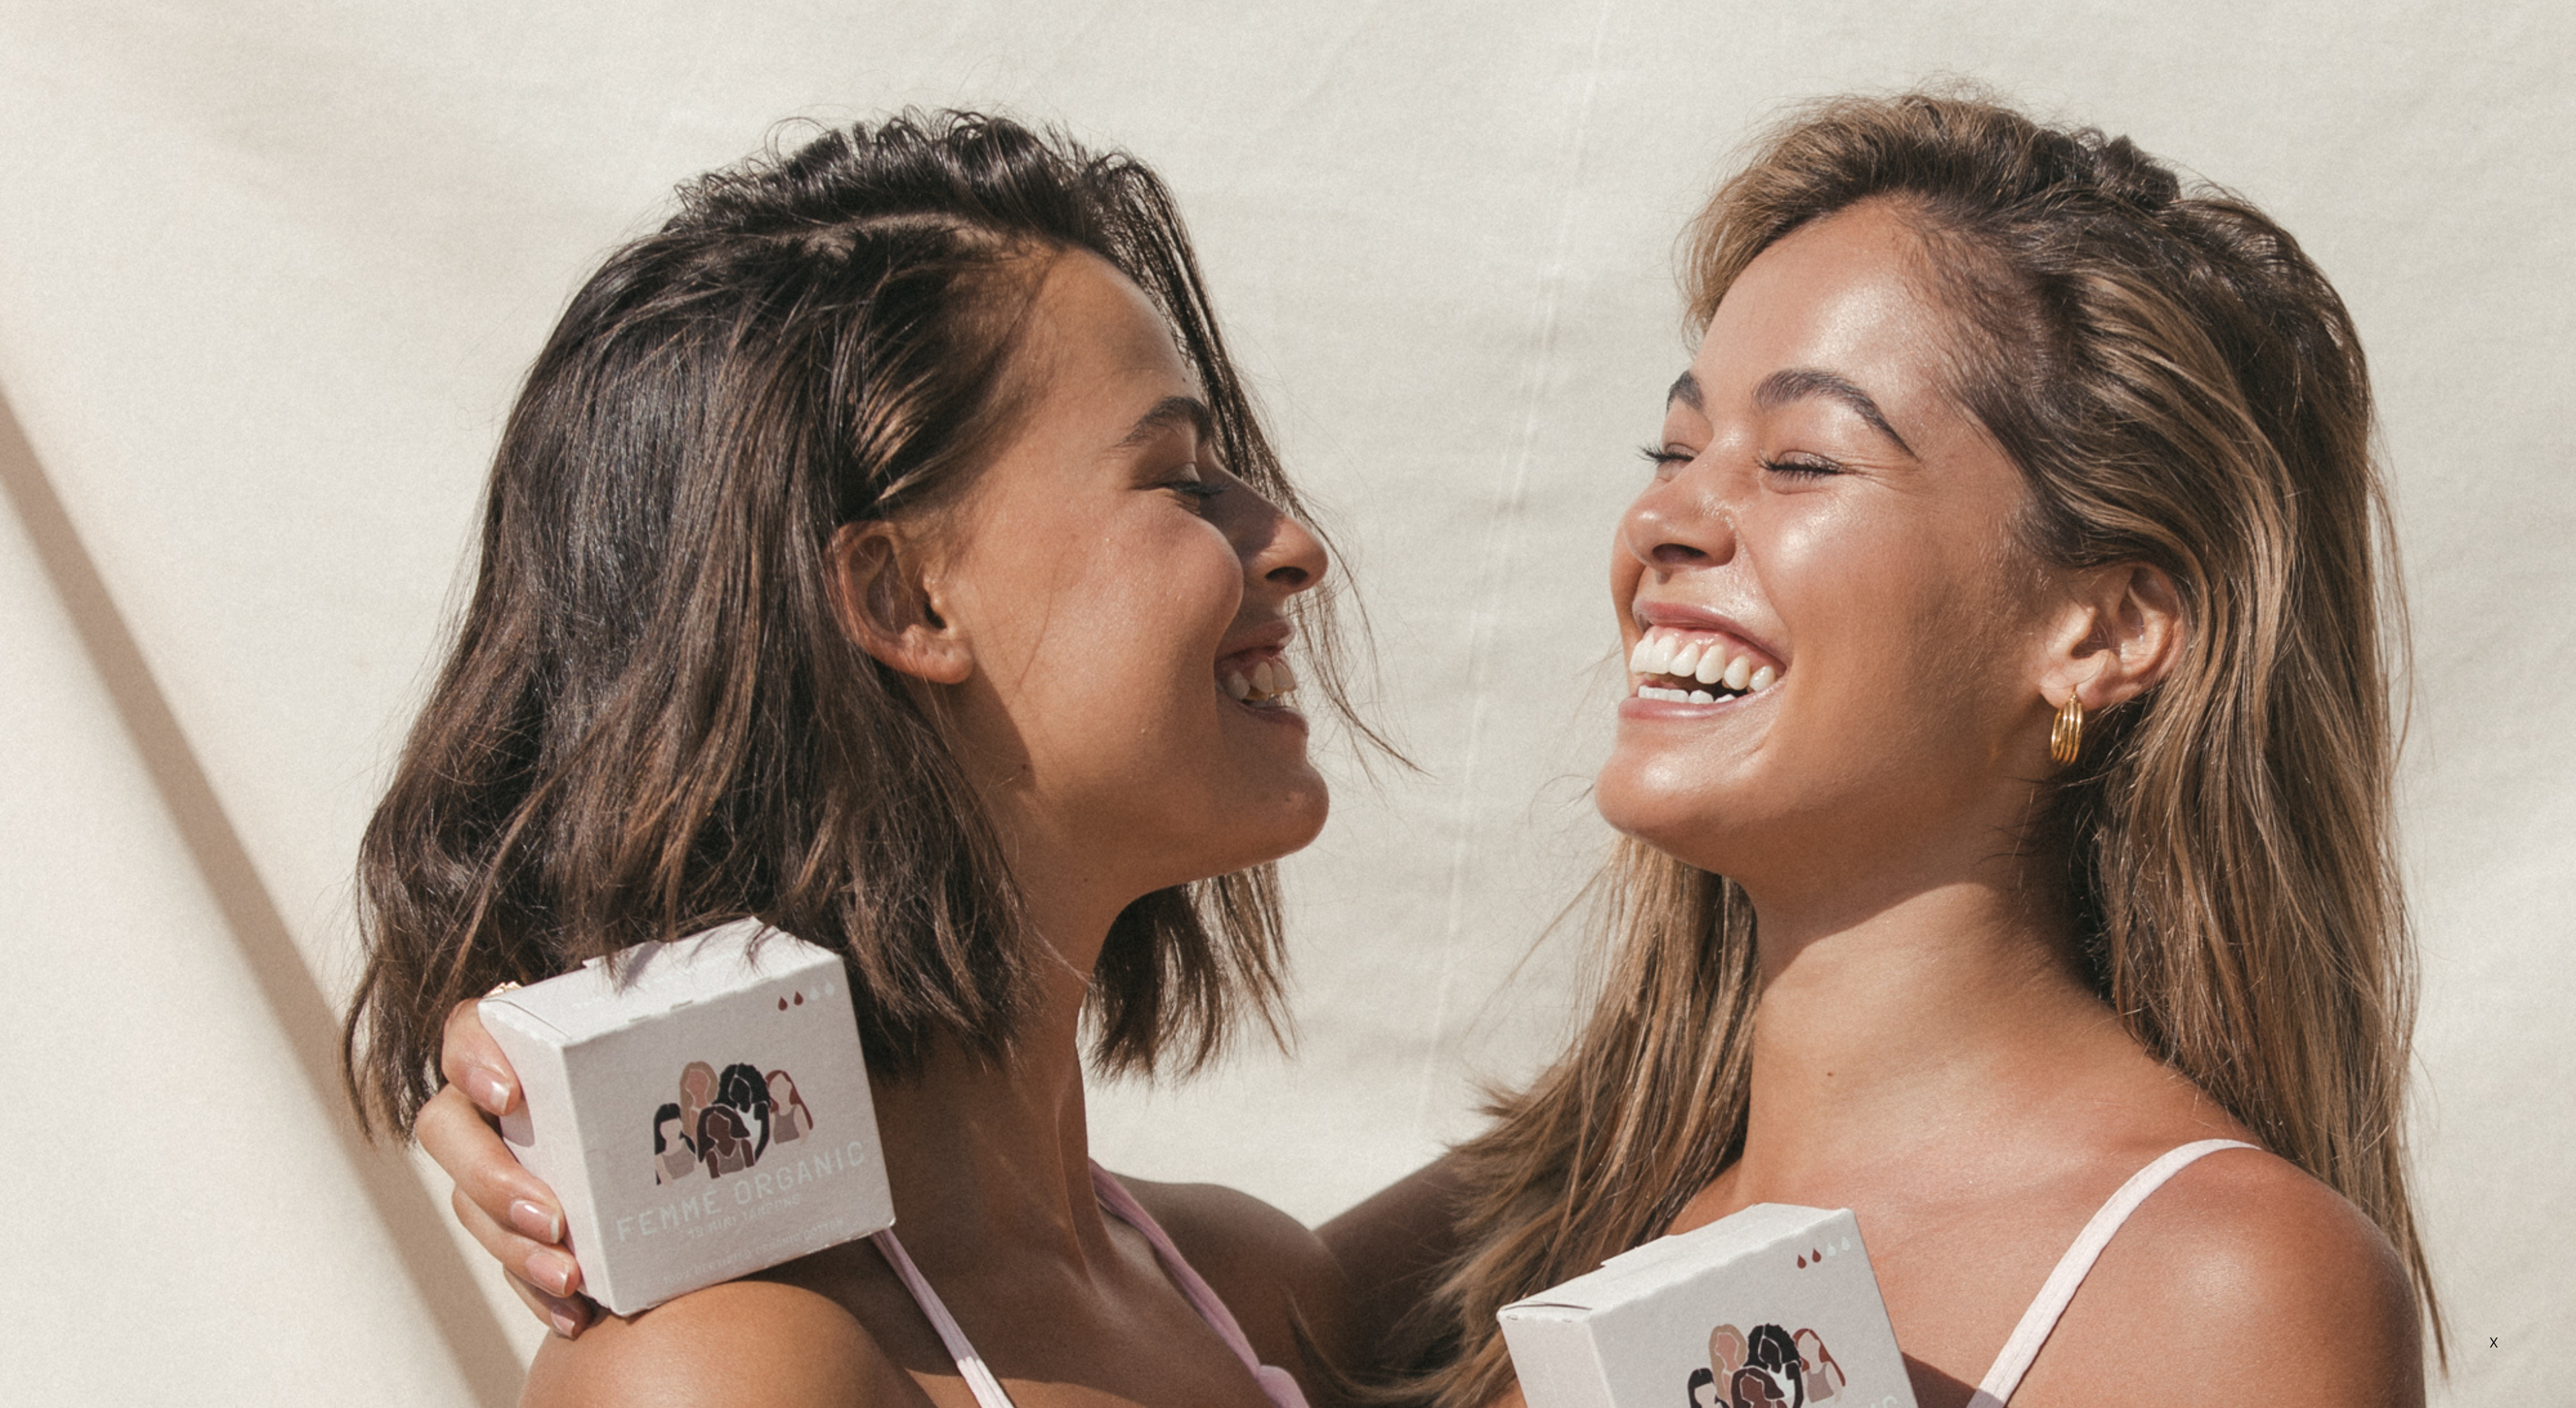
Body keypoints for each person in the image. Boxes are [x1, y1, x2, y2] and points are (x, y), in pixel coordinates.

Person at [424, 91, 2437, 1407]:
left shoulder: (2218, 1287)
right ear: (897, 600)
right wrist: (571, 1106)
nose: (1666, 521)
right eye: (1674, 449)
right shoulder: (1489, 1241)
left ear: (2106, 623)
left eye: (1803, 459)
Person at [345, 110, 1376, 1406]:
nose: (1292, 545)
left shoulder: (1253, 1286)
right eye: (1176, 476)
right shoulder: (725, 1373)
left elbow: (1597, 1180)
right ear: (906, 600)